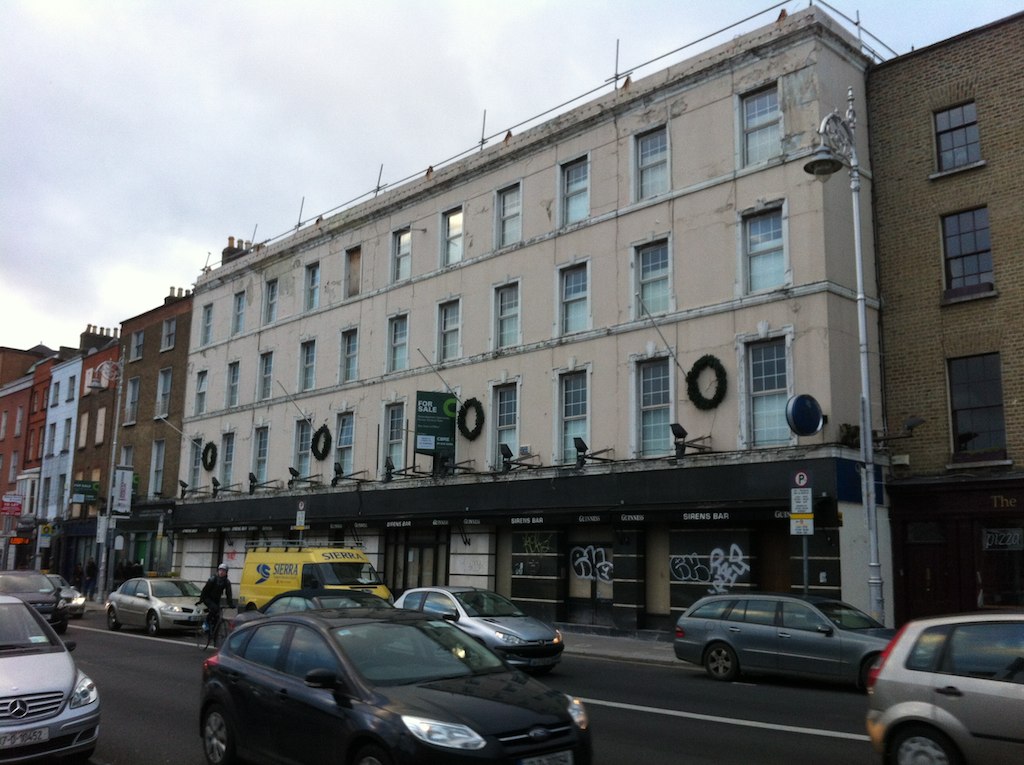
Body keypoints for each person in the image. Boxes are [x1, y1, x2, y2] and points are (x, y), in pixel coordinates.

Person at [199, 562, 234, 632]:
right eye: (220, 570)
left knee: (217, 615)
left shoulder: (227, 582)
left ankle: (214, 632)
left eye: (223, 571)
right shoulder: (213, 579)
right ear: (218, 571)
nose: (221, 572)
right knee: (214, 608)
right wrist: (201, 600)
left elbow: (228, 593)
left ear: (226, 572)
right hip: (207, 598)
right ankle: (206, 623)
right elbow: (205, 590)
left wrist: (230, 604)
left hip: (216, 599)